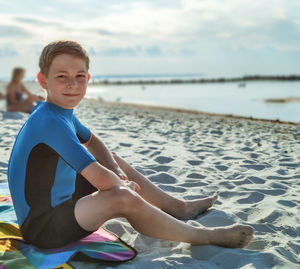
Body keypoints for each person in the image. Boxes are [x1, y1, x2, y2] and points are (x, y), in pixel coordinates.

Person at [7, 40, 254, 250]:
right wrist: (121, 183)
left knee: (113, 161)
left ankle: (178, 208)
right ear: (43, 80)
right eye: (62, 77)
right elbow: (102, 180)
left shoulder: (59, 112)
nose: (72, 84)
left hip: (61, 199)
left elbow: (93, 141)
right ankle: (207, 237)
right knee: (122, 196)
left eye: (79, 76)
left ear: (88, 79)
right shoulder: (50, 121)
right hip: (43, 228)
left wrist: (116, 170)